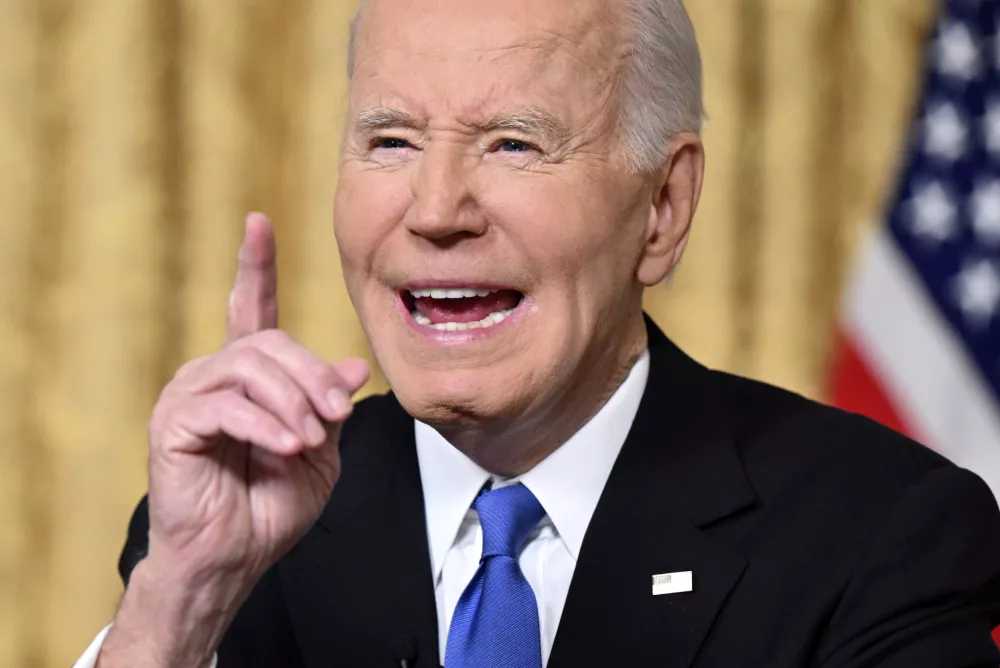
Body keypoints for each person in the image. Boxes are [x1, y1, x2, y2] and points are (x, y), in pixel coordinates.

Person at [76, 0, 1000, 666]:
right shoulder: (236, 533)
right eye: (390, 141)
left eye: (514, 144)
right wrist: (177, 608)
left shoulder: (881, 536)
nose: (435, 210)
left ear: (663, 208)